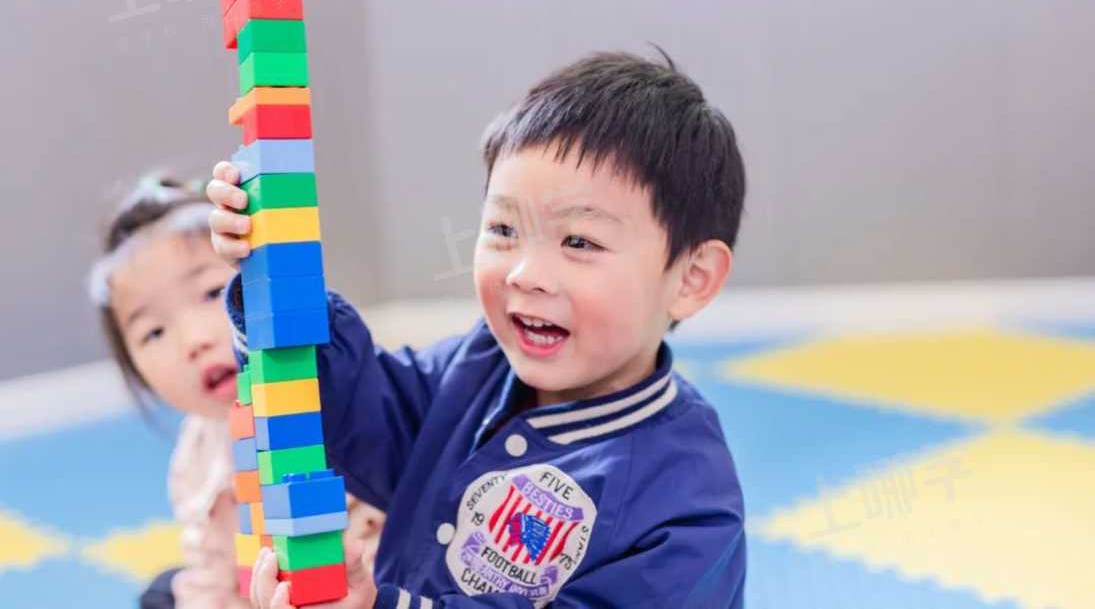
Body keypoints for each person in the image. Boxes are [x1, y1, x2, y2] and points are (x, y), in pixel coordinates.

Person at [208, 51, 748, 608]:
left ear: (692, 278)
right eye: (503, 229)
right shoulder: (476, 367)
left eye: (579, 242)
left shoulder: (687, 500)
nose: (524, 273)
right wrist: (272, 279)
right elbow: (356, 414)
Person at [88, 174, 383, 609]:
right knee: (164, 592)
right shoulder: (195, 453)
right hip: (255, 594)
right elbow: (212, 570)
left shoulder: (322, 401)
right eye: (154, 332)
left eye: (211, 293)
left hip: (353, 586)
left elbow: (379, 538)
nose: (192, 341)